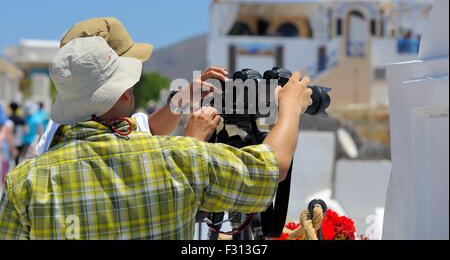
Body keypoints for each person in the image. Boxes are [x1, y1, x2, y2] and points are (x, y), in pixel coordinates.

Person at [0, 36, 313, 239]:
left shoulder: (23, 183)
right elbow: (273, 166)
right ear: (125, 93)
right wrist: (290, 107)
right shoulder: (179, 158)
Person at [35, 17, 226, 156]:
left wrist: (182, 99)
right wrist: (193, 144)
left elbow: (148, 129)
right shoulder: (96, 146)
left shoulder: (64, 128)